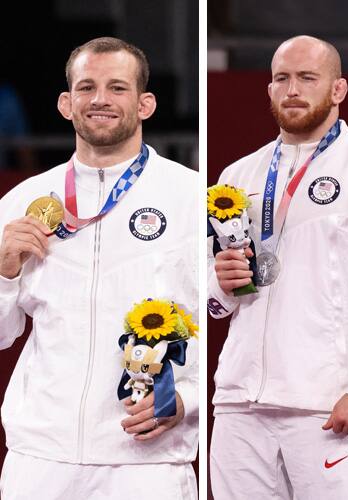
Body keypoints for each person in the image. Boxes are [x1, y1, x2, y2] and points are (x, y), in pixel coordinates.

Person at [0, 37, 198, 499]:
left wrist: (183, 400)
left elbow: (221, 312)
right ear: (66, 104)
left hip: (147, 457)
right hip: (41, 457)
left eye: (117, 88)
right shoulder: (21, 203)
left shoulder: (190, 197)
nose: (101, 99)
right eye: (86, 87)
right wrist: (6, 270)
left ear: (145, 103)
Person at [208, 35, 348, 499]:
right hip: (239, 399)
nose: (292, 89)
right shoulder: (237, 176)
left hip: (324, 401)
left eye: (307, 78)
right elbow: (218, 301)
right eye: (282, 78)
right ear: (270, 89)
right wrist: (220, 285)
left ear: (338, 90)